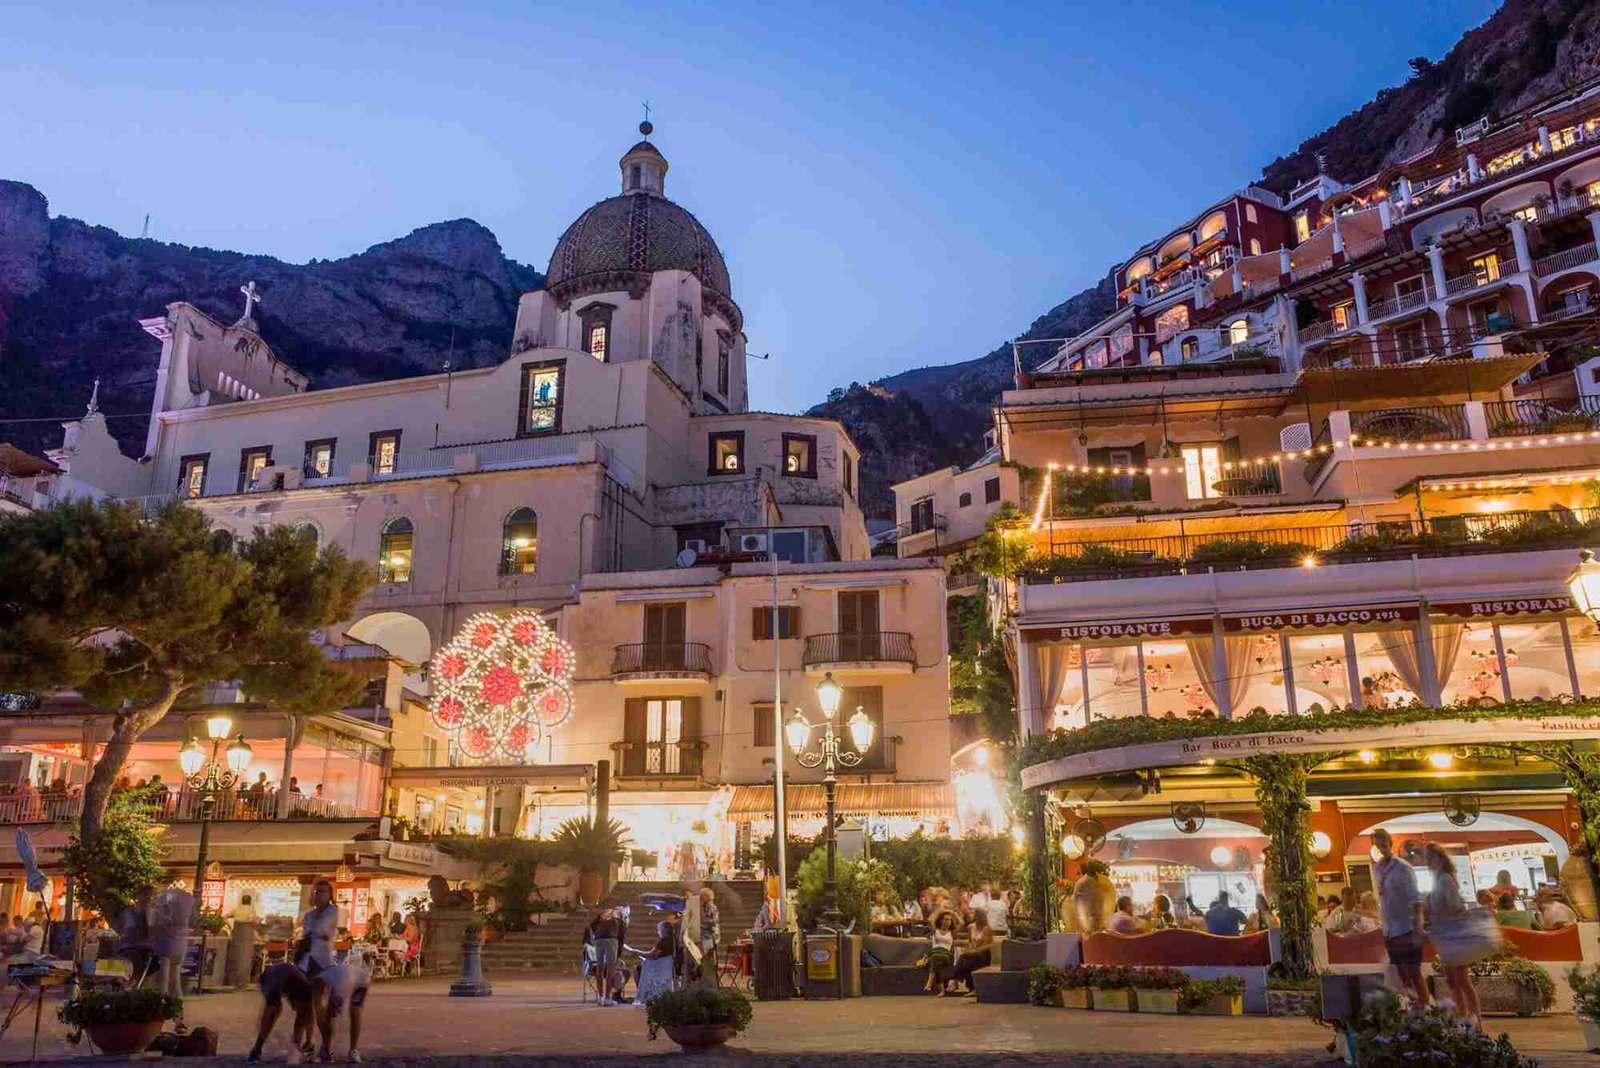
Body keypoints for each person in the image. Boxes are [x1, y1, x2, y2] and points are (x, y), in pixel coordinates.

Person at [1422, 843, 1482, 1028]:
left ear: (1439, 859)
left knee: (1461, 980)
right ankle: (1464, 1018)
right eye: (1427, 859)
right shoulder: (1439, 881)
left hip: (1454, 935)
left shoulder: (1445, 880)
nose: (1428, 863)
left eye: (1431, 858)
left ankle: (1474, 1019)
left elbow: (1456, 908)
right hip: (1446, 937)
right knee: (1453, 980)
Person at [1372, 828, 1429, 1006]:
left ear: (1389, 843)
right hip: (1390, 930)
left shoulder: (1403, 868)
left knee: (1414, 972)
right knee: (1401, 975)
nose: (1381, 848)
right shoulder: (1378, 868)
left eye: (1383, 843)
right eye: (1377, 844)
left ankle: (1427, 1010)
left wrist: (1418, 927)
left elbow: (1415, 899)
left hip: (1406, 928)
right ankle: (1414, 1010)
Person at [247, 962, 317, 1064]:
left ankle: (309, 1045)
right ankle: (256, 1049)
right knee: (273, 1011)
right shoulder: (275, 984)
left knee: (306, 1012)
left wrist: (295, 1047)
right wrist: (295, 1049)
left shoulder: (304, 988)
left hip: (292, 978)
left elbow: (302, 1017)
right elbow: (300, 1018)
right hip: (271, 977)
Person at [312, 953, 373, 1063]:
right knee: (353, 1012)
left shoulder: (325, 978)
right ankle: (350, 1051)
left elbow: (326, 1008)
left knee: (344, 1013)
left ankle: (329, 1050)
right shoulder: (328, 975)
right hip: (361, 977)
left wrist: (327, 1012)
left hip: (359, 982)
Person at [151, 881, 195, 1000]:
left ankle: (162, 1003)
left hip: (166, 945)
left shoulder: (166, 911)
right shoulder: (187, 906)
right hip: (180, 945)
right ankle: (177, 1005)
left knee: (163, 978)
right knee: (175, 978)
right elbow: (194, 922)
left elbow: (157, 926)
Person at [585, 907, 627, 1005]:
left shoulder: (602, 916)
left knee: (599, 969)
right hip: (612, 940)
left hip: (599, 940)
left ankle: (600, 997)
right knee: (610, 971)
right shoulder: (619, 918)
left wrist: (597, 936)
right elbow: (621, 938)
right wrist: (618, 956)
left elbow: (591, 926)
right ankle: (607, 998)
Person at [299, 880, 340, 976]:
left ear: (329, 894)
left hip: (323, 959)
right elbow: (307, 932)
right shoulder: (309, 915)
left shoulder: (333, 912)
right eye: (316, 892)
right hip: (306, 960)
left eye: (322, 892)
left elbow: (321, 930)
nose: (319, 895)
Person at [951, 910, 995, 996]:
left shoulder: (986, 928)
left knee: (965, 959)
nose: (973, 916)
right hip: (973, 953)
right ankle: (971, 988)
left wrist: (975, 950)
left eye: (975, 915)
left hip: (983, 953)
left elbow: (986, 944)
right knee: (965, 960)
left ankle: (955, 982)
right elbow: (970, 941)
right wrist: (970, 949)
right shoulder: (971, 927)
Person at [923, 910, 959, 994]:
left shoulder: (952, 932)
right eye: (945, 919)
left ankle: (929, 983)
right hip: (935, 954)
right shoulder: (935, 930)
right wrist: (940, 910)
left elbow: (961, 923)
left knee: (933, 959)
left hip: (946, 955)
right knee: (935, 960)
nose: (948, 922)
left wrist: (954, 913)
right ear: (941, 920)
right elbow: (931, 919)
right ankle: (941, 990)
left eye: (949, 920)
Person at [230, 893, 260, 990]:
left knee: (235, 958)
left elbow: (224, 916)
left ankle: (234, 982)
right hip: (246, 937)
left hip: (236, 936)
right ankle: (243, 983)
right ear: (250, 902)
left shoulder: (236, 910)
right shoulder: (251, 911)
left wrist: (229, 927)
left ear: (241, 901)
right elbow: (255, 921)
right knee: (245, 959)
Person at [698, 887, 720, 961]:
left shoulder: (712, 907)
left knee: (709, 959)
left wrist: (701, 923)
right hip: (703, 936)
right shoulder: (700, 907)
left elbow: (713, 922)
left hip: (709, 937)